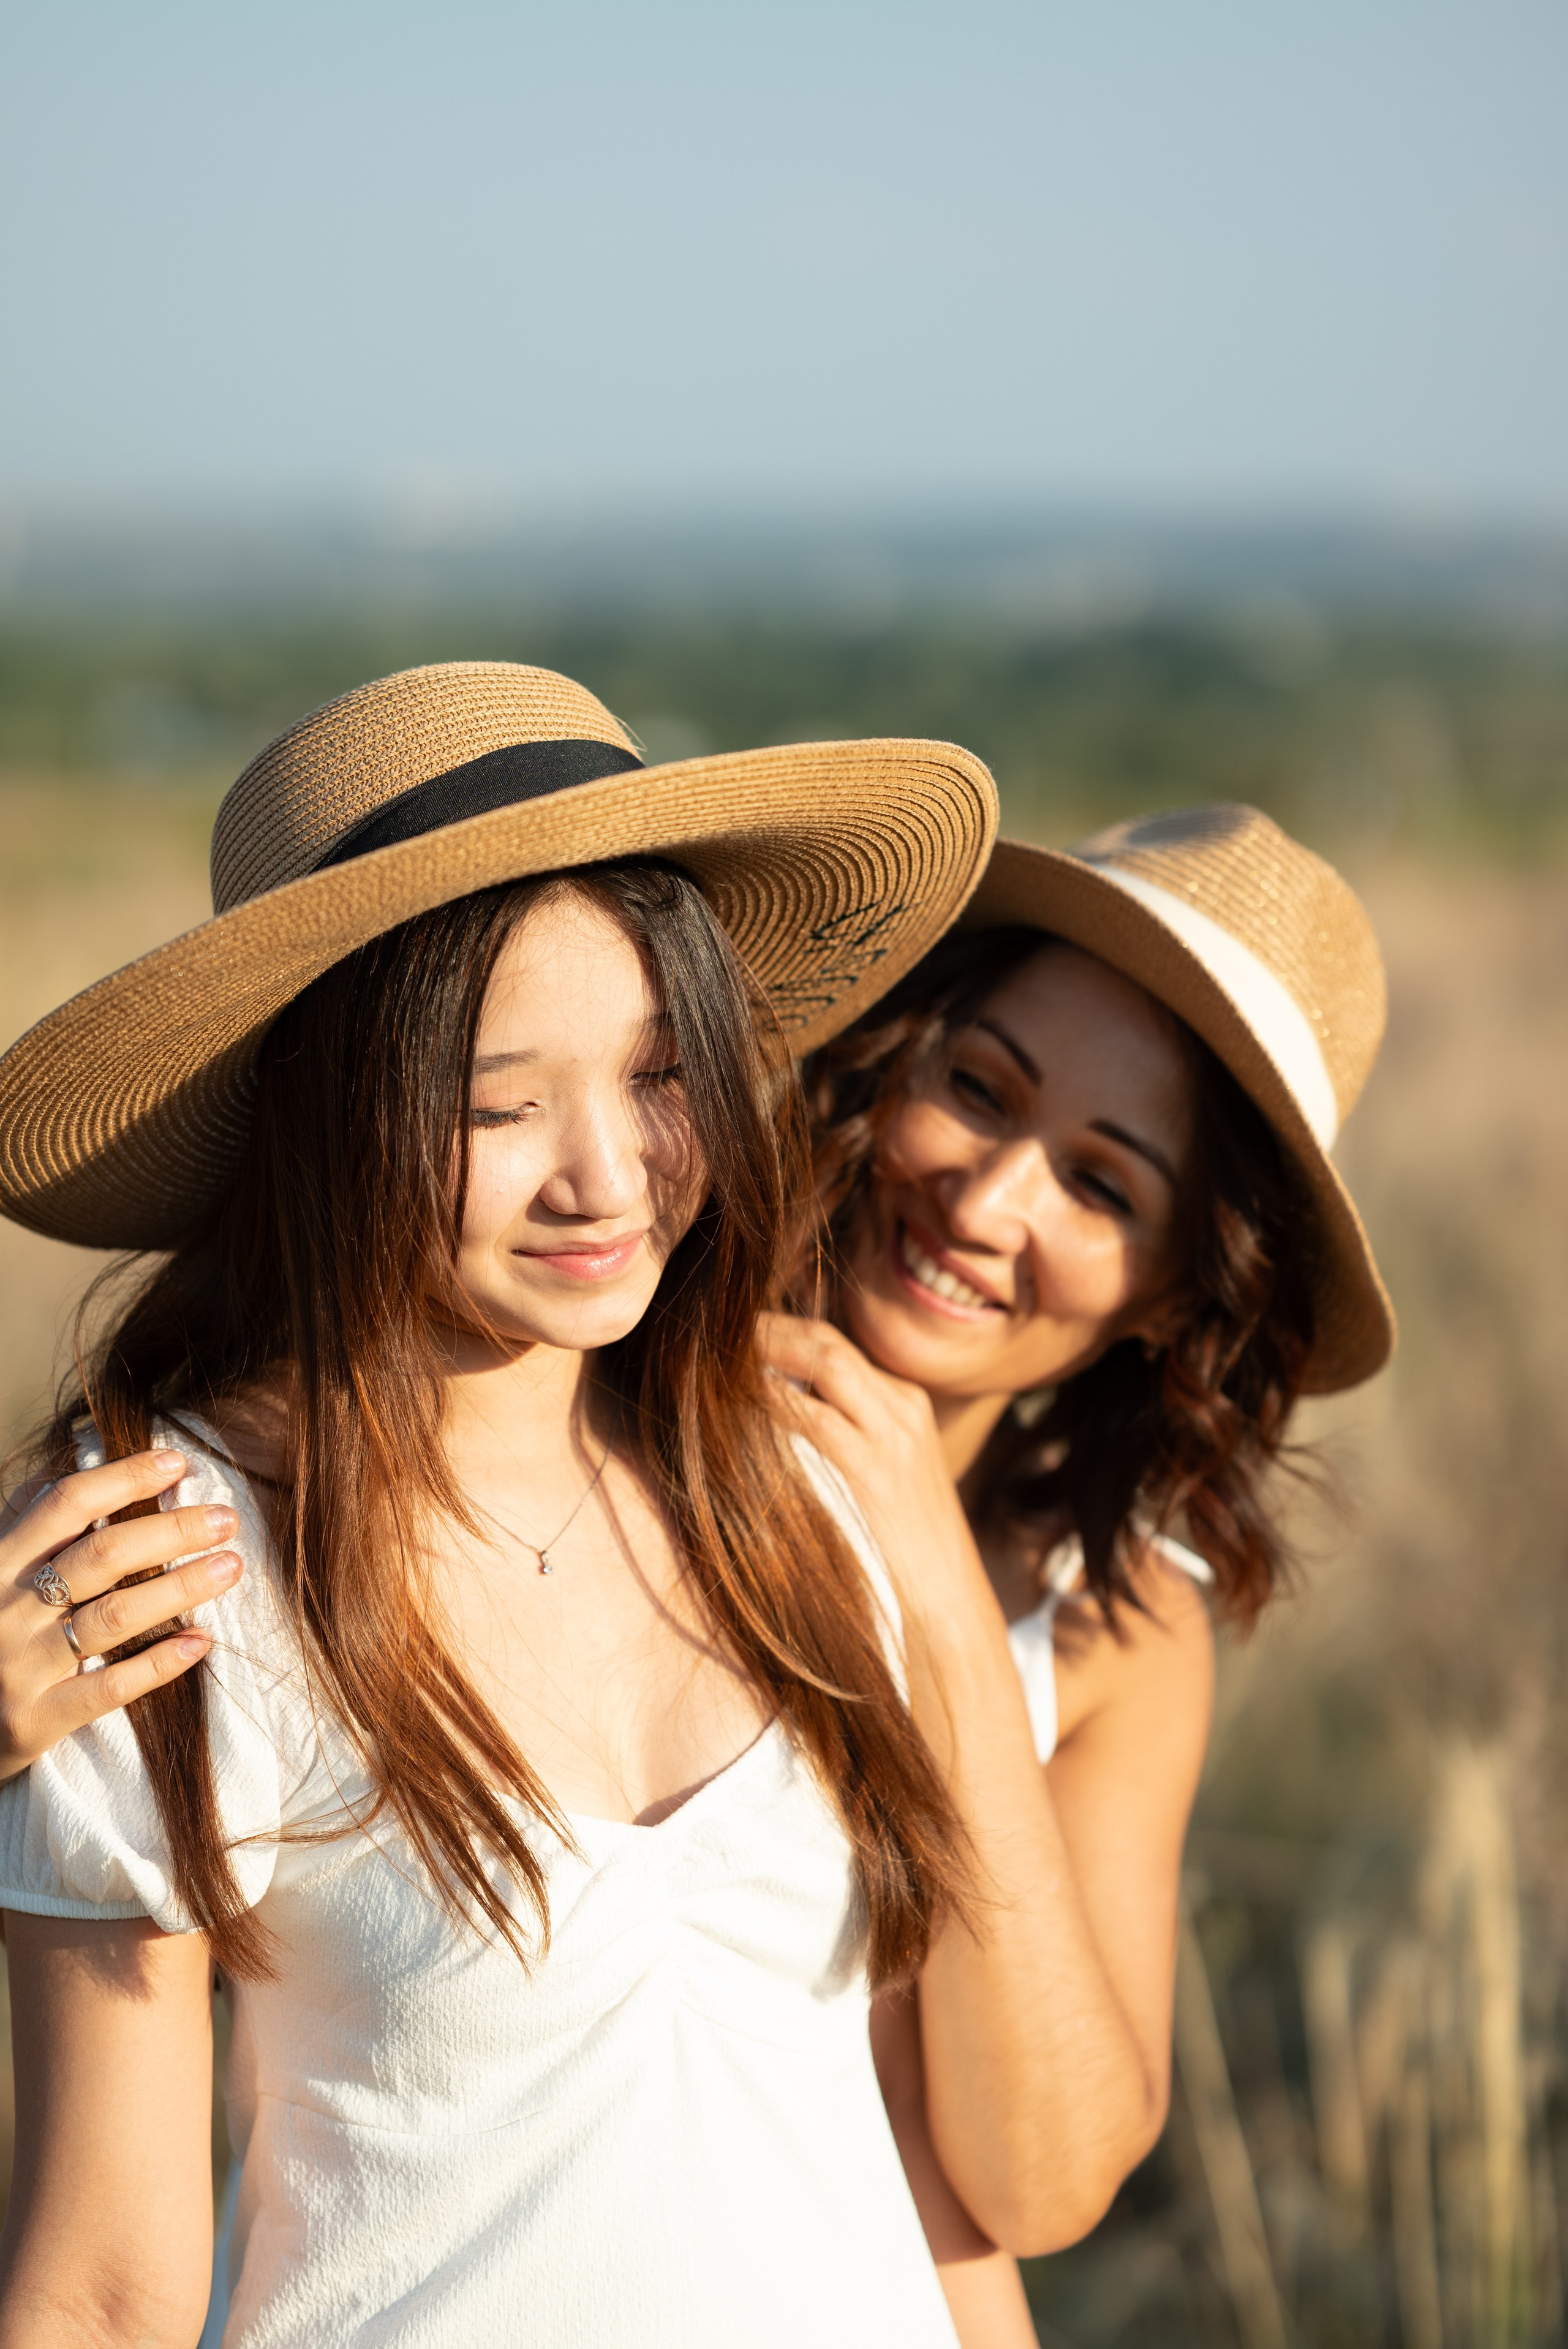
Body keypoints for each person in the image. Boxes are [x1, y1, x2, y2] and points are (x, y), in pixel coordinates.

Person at [0, 660, 1004, 2349]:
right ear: (336, 1118)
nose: (605, 1178)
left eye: (659, 1072)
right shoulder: (164, 1559)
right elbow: (102, 2287)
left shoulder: (796, 1484)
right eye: (498, 1103)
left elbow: (919, 2182)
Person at [768, 802, 1393, 2343]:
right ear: (889, 1056)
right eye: (975, 1090)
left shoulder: (1113, 1626)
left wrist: (936, 1583)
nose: (986, 1209)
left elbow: (1039, 2174)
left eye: (1101, 1188)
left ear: (1175, 1297)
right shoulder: (600, 1420)